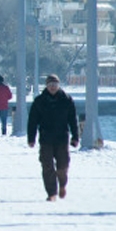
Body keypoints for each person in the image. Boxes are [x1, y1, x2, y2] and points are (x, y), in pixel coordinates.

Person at [27, 74, 79, 202]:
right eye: (50, 85)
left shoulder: (66, 100)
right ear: (46, 86)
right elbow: (33, 121)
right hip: (46, 138)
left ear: (58, 85)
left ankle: (62, 184)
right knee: (47, 166)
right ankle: (51, 193)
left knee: (63, 166)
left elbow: (72, 120)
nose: (53, 88)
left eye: (55, 85)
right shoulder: (39, 101)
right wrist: (31, 138)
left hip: (62, 138)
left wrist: (75, 137)